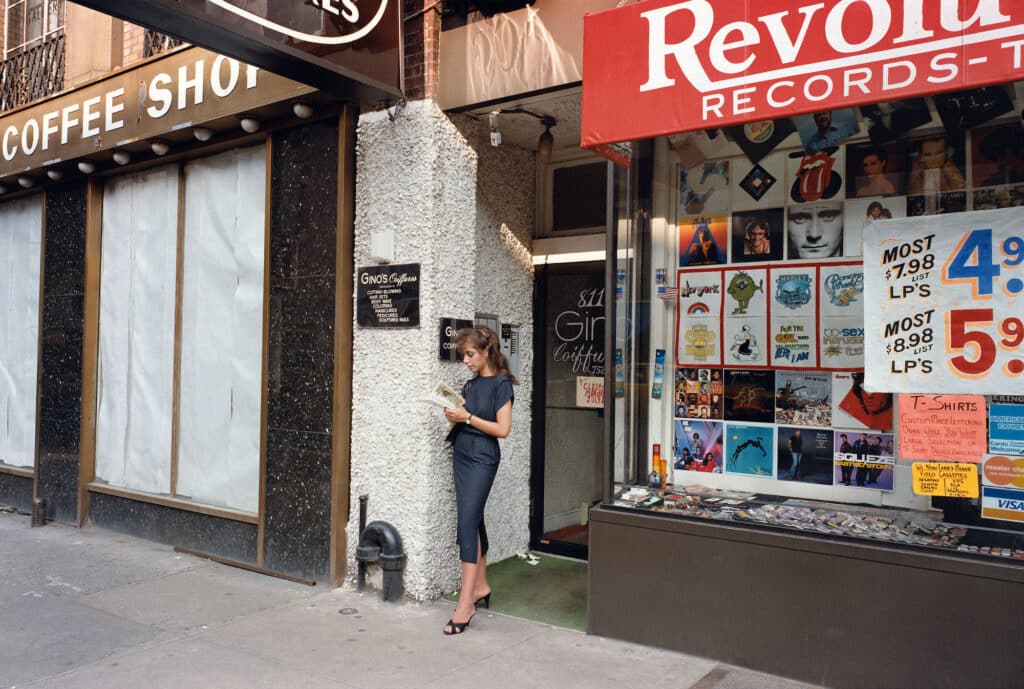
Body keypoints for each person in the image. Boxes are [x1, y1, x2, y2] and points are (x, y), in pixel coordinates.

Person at [441, 326, 515, 635]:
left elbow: (502, 430)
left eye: (470, 354)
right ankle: (481, 586)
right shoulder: (471, 386)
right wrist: (455, 415)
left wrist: (468, 418)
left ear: (486, 352)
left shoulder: (502, 385)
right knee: (474, 519)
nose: (466, 361)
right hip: (462, 454)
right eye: (463, 356)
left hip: (483, 458)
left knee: (467, 523)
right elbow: (468, 416)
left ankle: (465, 603)